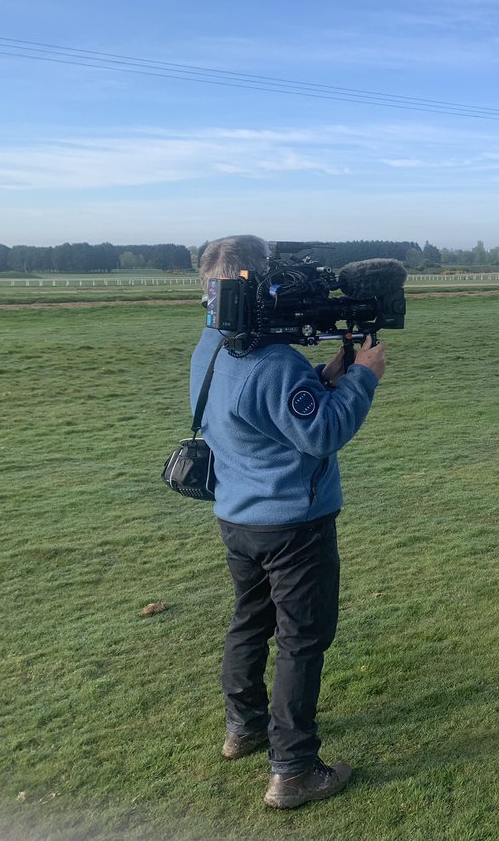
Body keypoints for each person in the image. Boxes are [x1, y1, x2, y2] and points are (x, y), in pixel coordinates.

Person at [192, 234, 387, 808]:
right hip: (293, 526)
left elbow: (266, 412)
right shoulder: (273, 361)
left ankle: (243, 726)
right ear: (256, 283)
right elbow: (323, 432)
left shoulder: (213, 345)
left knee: (251, 621)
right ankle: (293, 769)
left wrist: (329, 375)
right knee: (302, 641)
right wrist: (365, 376)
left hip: (239, 517)